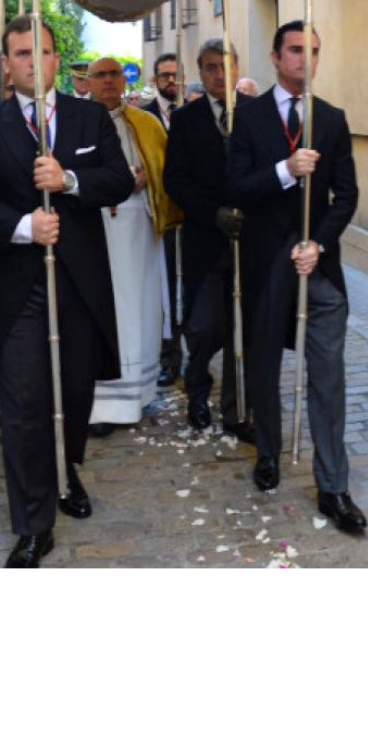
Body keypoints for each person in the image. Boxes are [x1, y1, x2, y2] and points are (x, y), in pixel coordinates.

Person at [0, 17, 134, 567]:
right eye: (22, 52)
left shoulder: (88, 117)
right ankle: (33, 523)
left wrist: (70, 182)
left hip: (78, 283)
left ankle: (64, 467)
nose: (34, 61)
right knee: (26, 402)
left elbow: (119, 179)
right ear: (7, 64)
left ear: (58, 59)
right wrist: (24, 225)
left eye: (44, 51)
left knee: (74, 394)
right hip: (15, 286)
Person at [226, 21, 365, 533]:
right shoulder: (250, 117)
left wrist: (319, 242)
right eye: (296, 51)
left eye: (315, 52)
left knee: (328, 378)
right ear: (275, 56)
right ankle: (268, 451)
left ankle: (333, 486)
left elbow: (347, 195)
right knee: (263, 366)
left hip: (319, 269)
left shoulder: (331, 119)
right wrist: (285, 170)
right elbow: (237, 185)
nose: (306, 60)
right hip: (265, 265)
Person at [163, 39, 254, 440]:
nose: (219, 74)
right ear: (200, 72)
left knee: (243, 330)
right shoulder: (186, 119)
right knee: (203, 326)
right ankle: (197, 388)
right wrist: (211, 214)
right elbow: (175, 181)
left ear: (237, 69)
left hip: (249, 243)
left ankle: (238, 411)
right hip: (204, 241)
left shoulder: (257, 114)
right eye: (211, 67)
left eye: (225, 66)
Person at [85, 58, 180, 435]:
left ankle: (138, 394)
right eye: (100, 75)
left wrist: (144, 183)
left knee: (138, 308)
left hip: (139, 228)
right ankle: (100, 402)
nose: (108, 81)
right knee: (104, 310)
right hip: (95, 228)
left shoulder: (147, 123)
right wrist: (114, 183)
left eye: (114, 75)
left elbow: (164, 173)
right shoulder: (76, 123)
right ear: (88, 82)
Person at [139, 51, 184, 387]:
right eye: (164, 75)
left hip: (190, 217)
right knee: (166, 288)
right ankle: (168, 357)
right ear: (154, 79)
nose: (171, 80)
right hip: (158, 216)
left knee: (188, 288)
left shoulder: (191, 113)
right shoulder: (143, 117)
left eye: (175, 74)